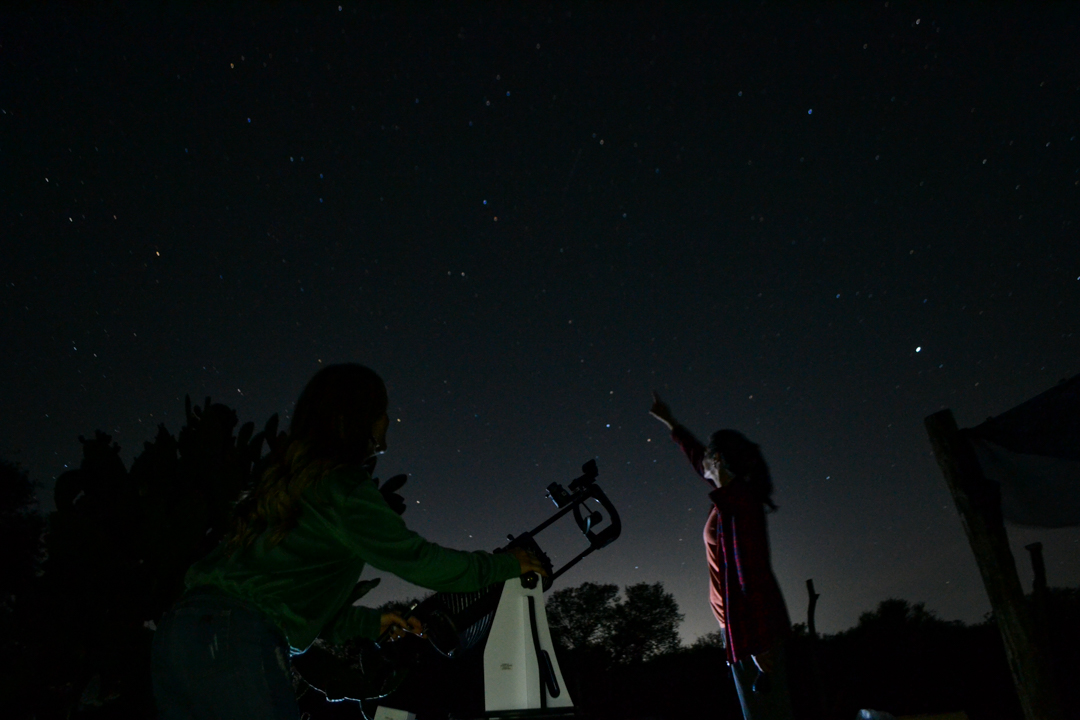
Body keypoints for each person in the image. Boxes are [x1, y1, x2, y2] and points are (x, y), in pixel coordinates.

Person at [152, 364, 544, 720]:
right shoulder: (343, 486)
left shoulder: (294, 481)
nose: (389, 419)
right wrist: (508, 564)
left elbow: (287, 594)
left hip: (180, 638)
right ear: (363, 418)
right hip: (235, 640)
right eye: (383, 409)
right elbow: (418, 560)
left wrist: (370, 623)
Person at [649, 391, 794, 720]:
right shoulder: (731, 495)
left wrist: (757, 643)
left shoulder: (737, 505)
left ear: (718, 462)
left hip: (751, 629)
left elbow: (749, 574)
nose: (703, 464)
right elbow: (696, 454)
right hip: (738, 626)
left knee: (768, 713)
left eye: (708, 458)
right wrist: (670, 421)